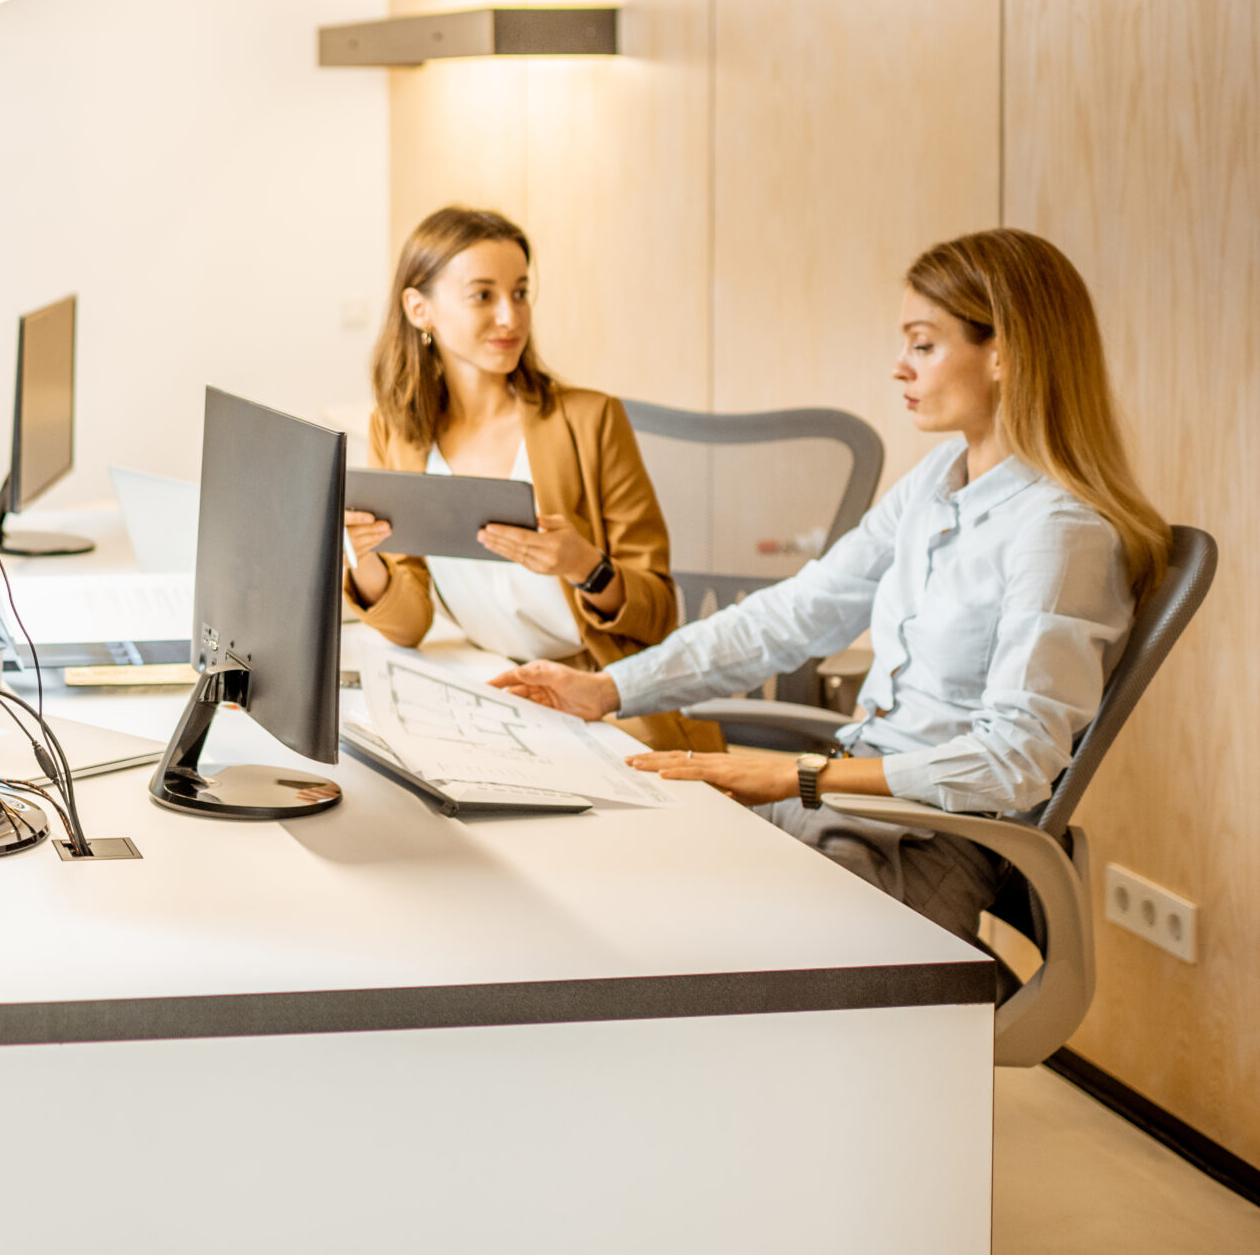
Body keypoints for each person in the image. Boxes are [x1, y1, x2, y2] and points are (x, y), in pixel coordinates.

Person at [495, 227, 1166, 940]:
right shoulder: (939, 478)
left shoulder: (1060, 530)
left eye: (923, 344)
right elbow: (796, 613)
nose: (899, 368)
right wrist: (612, 689)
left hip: (928, 838)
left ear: (1004, 352)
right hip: (848, 798)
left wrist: (798, 777)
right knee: (612, 866)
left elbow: (1015, 761)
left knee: (676, 931)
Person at [343, 205, 706, 749]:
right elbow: (409, 624)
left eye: (520, 292)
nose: (511, 317)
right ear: (420, 309)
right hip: (487, 689)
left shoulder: (591, 420)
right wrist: (363, 555)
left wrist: (584, 565)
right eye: (483, 295)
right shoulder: (398, 432)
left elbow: (658, 614)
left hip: (597, 699)